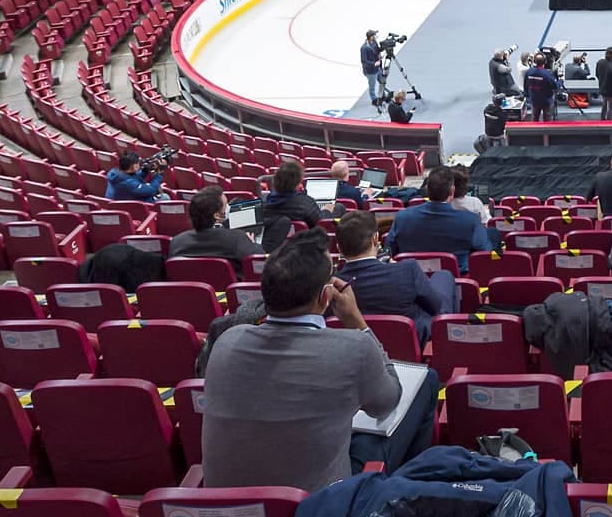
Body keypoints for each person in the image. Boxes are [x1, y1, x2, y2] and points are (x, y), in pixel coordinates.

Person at [200, 235, 404, 491]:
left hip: (226, 506)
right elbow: (387, 404)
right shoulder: (355, 348)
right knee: (425, 386)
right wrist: (357, 322)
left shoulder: (227, 341)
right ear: (326, 295)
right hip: (318, 509)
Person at [335, 211, 453, 344]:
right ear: (375, 239)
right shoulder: (407, 269)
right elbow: (435, 306)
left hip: (356, 347)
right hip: (412, 343)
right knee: (444, 276)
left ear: (339, 248)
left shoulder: (333, 287)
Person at [384, 167, 490, 269]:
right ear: (452, 191)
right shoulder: (471, 221)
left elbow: (389, 249)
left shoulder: (402, 217)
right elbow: (484, 252)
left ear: (427, 189)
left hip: (410, 274)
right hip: (457, 276)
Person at [169, 186, 259, 271]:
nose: (229, 207)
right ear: (217, 215)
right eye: (226, 205)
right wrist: (252, 244)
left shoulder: (176, 242)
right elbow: (259, 262)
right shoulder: (237, 239)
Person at [255, 158, 320, 255]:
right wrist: (327, 210)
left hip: (277, 253)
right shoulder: (305, 203)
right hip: (303, 251)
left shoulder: (265, 204)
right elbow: (322, 223)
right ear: (298, 183)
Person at [523, 53, 558, 122]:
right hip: (546, 100)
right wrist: (561, 81)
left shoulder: (529, 72)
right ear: (545, 62)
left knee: (534, 116)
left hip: (534, 99)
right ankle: (547, 129)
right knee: (547, 117)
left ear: (534, 61)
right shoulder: (547, 74)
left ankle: (534, 128)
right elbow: (555, 86)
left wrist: (527, 95)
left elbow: (526, 85)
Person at [361, 30, 384, 108]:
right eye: (374, 35)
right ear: (370, 37)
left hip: (378, 68)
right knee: (372, 86)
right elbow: (364, 60)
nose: (375, 36)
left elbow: (377, 51)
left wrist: (382, 48)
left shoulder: (374, 42)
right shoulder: (364, 48)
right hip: (370, 71)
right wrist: (374, 63)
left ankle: (382, 95)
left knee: (382, 82)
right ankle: (374, 100)